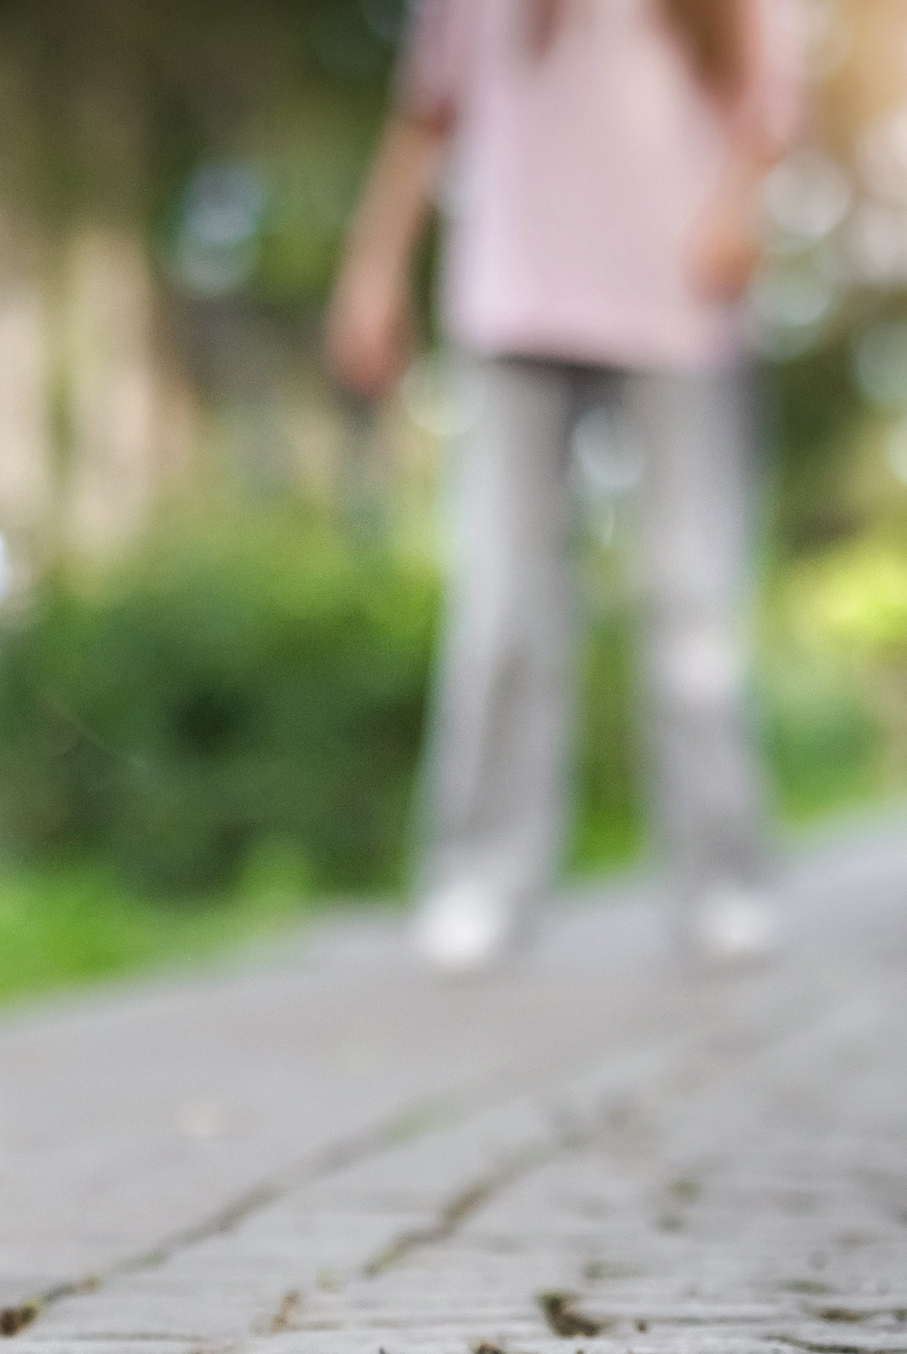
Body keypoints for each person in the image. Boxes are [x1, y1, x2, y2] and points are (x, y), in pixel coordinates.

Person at [328, 0, 802, 971]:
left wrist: (735, 208)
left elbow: (766, 113)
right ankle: (479, 878)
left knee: (690, 603)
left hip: (675, 307)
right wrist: (372, 269)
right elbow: (427, 113)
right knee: (503, 606)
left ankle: (721, 880)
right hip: (511, 303)